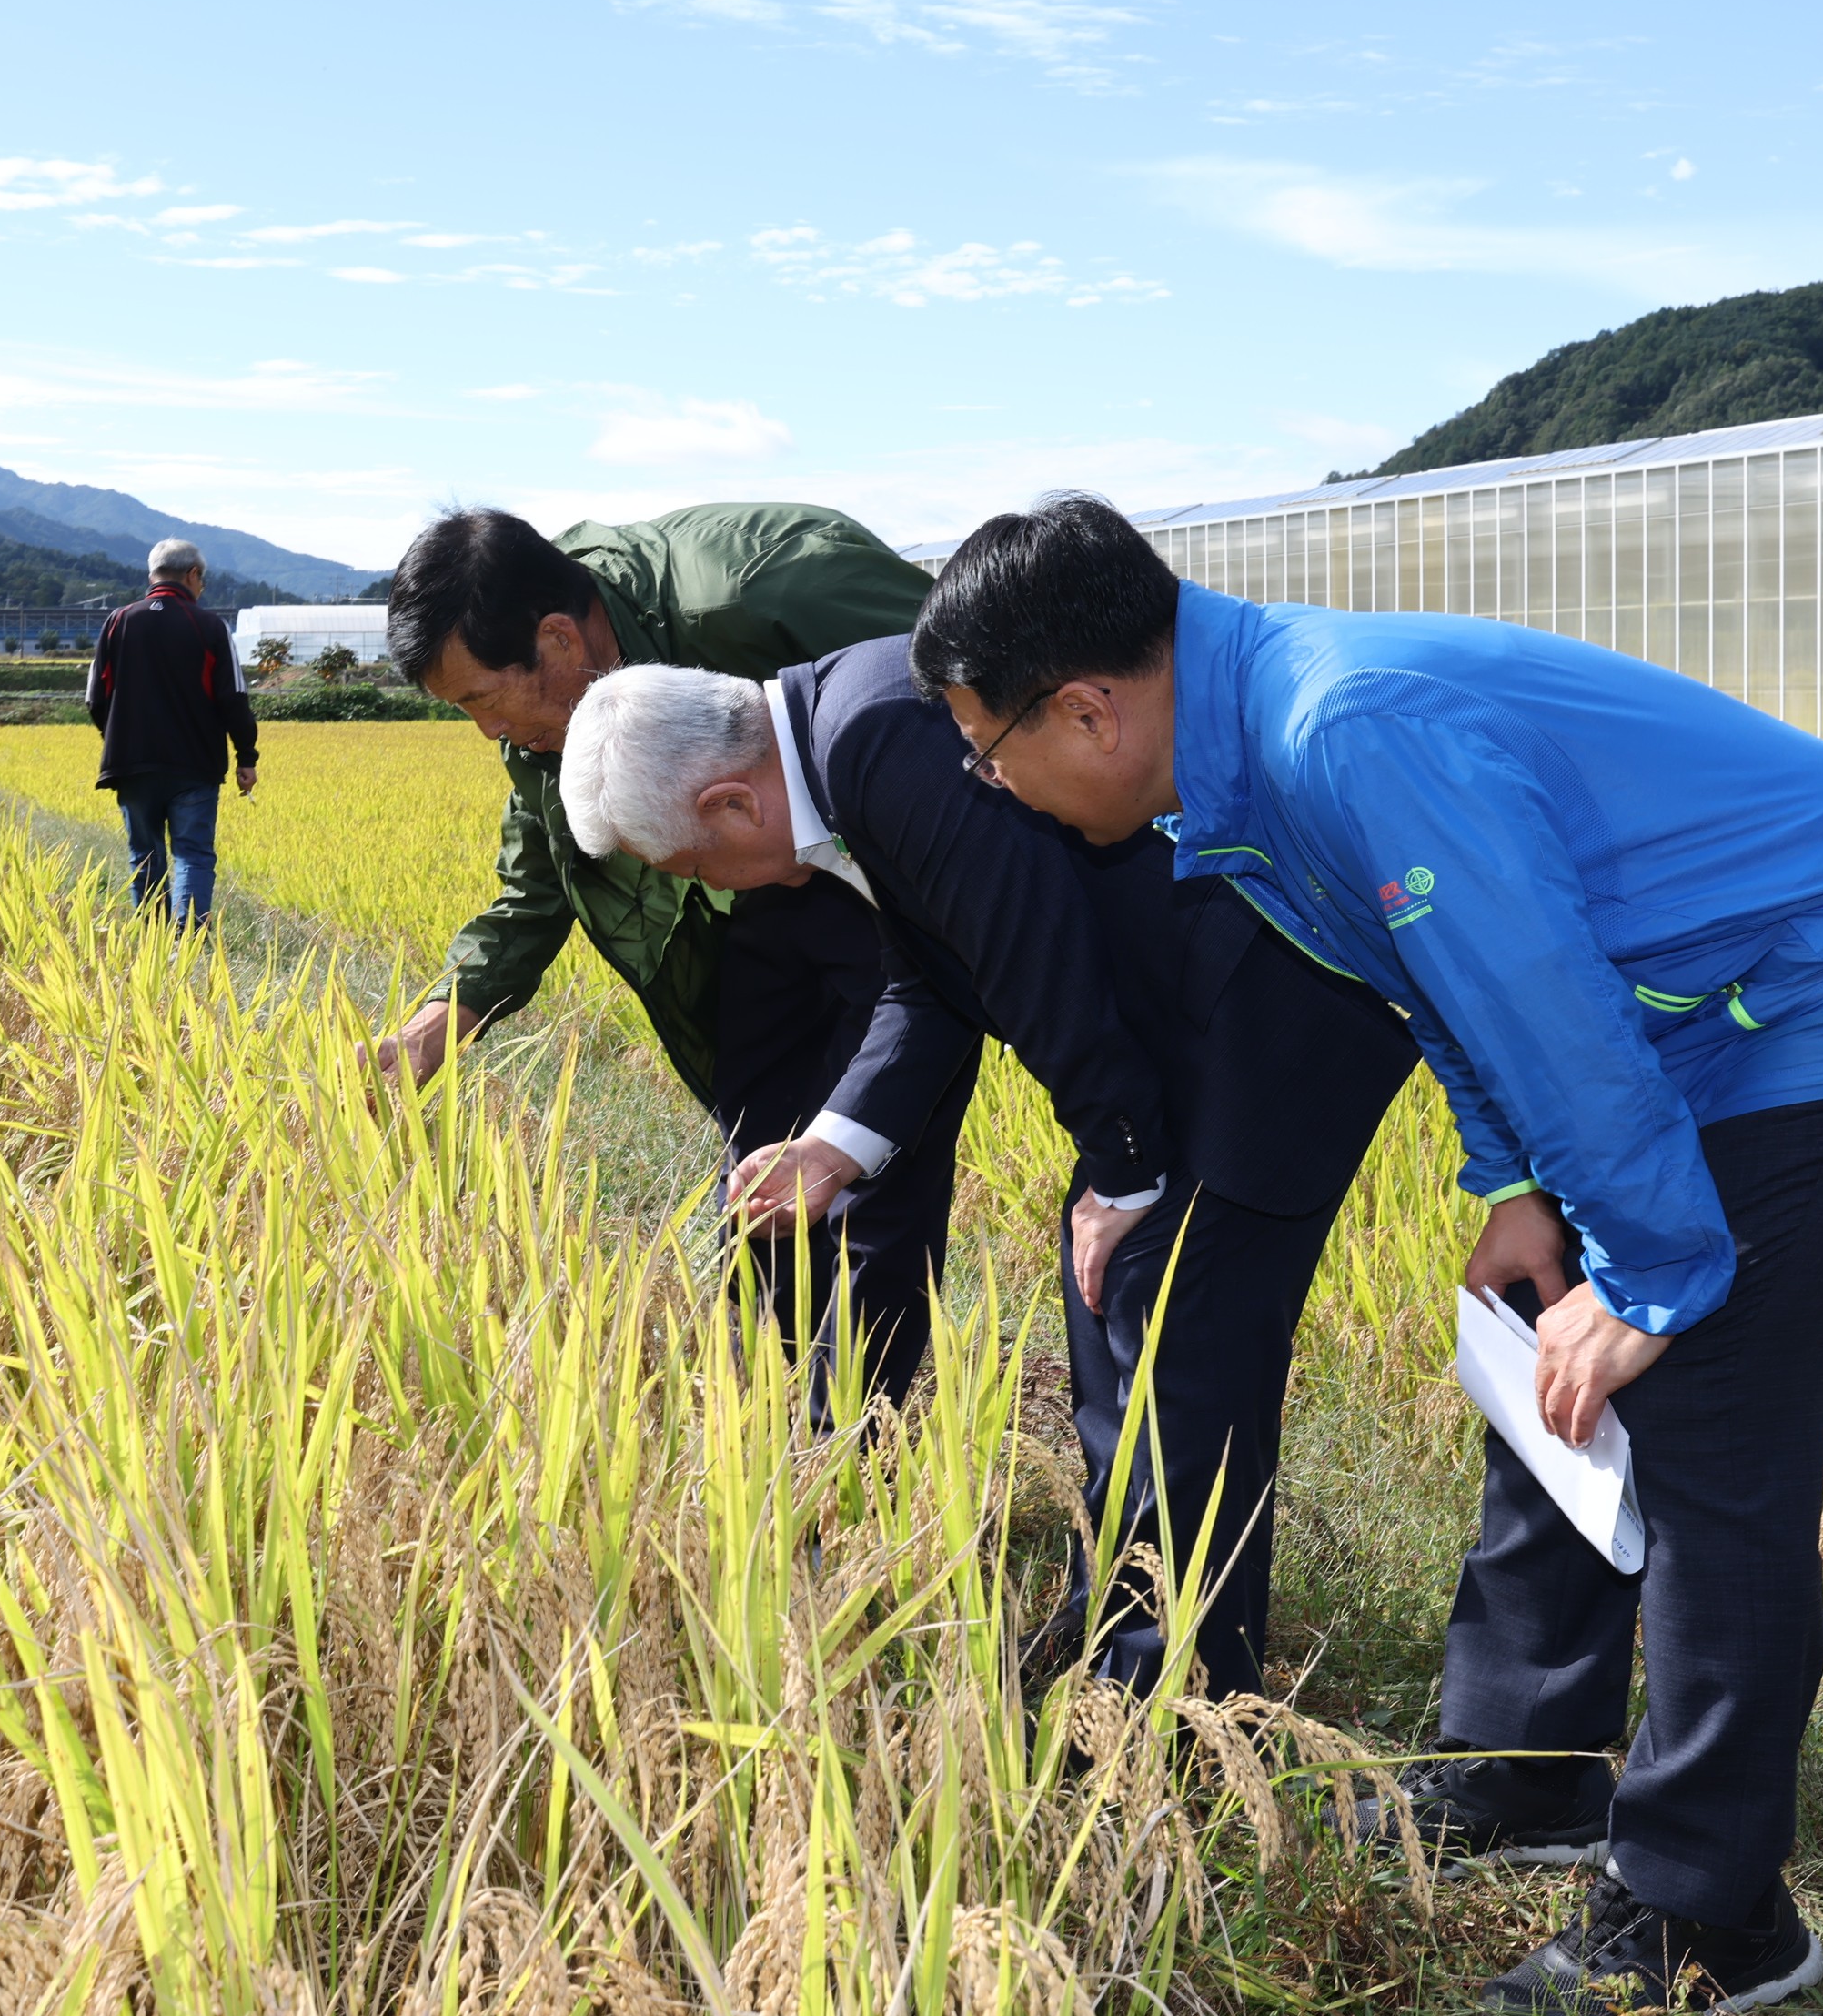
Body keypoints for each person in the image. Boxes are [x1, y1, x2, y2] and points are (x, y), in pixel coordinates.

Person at [907, 494, 1823, 2016]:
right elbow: (1437, 978)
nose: (986, 780)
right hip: (1689, 1004)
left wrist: (1645, 1277)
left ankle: (1711, 1914)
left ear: (1084, 707)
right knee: (1541, 1335)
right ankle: (1524, 1765)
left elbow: (1541, 999)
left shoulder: (1341, 730)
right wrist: (1515, 1185)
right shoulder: (1244, 747)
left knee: (1702, 1410)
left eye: (984, 745)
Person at [559, 646, 1416, 1698]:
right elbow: (933, 974)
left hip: (1260, 1006)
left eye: (691, 867)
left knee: (1174, 1334)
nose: (712, 889)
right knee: (1115, 1326)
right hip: (1181, 1023)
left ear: (731, 802)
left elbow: (1036, 953)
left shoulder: (875, 739)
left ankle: (1182, 1715)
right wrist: (834, 1144)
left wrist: (1126, 1172)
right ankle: (1127, 1628)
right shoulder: (839, 738)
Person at [377, 504, 956, 1416]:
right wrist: (440, 1017)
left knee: (871, 1154)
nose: (485, 732)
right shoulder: (550, 716)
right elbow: (544, 872)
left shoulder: (765, 594)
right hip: (752, 887)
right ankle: (761, 1402)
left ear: (558, 639)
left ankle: (845, 1446)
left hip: (887, 876)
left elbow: (995, 682)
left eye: (480, 702)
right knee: (761, 1143)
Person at [86, 538, 258, 922]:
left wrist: (119, 738)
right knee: (193, 855)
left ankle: (152, 946)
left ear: (153, 574)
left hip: (131, 765)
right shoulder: (210, 626)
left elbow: (96, 699)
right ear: (193, 575)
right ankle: (188, 943)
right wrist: (246, 757)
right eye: (203, 581)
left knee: (145, 857)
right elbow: (234, 699)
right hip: (194, 767)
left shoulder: (117, 622)